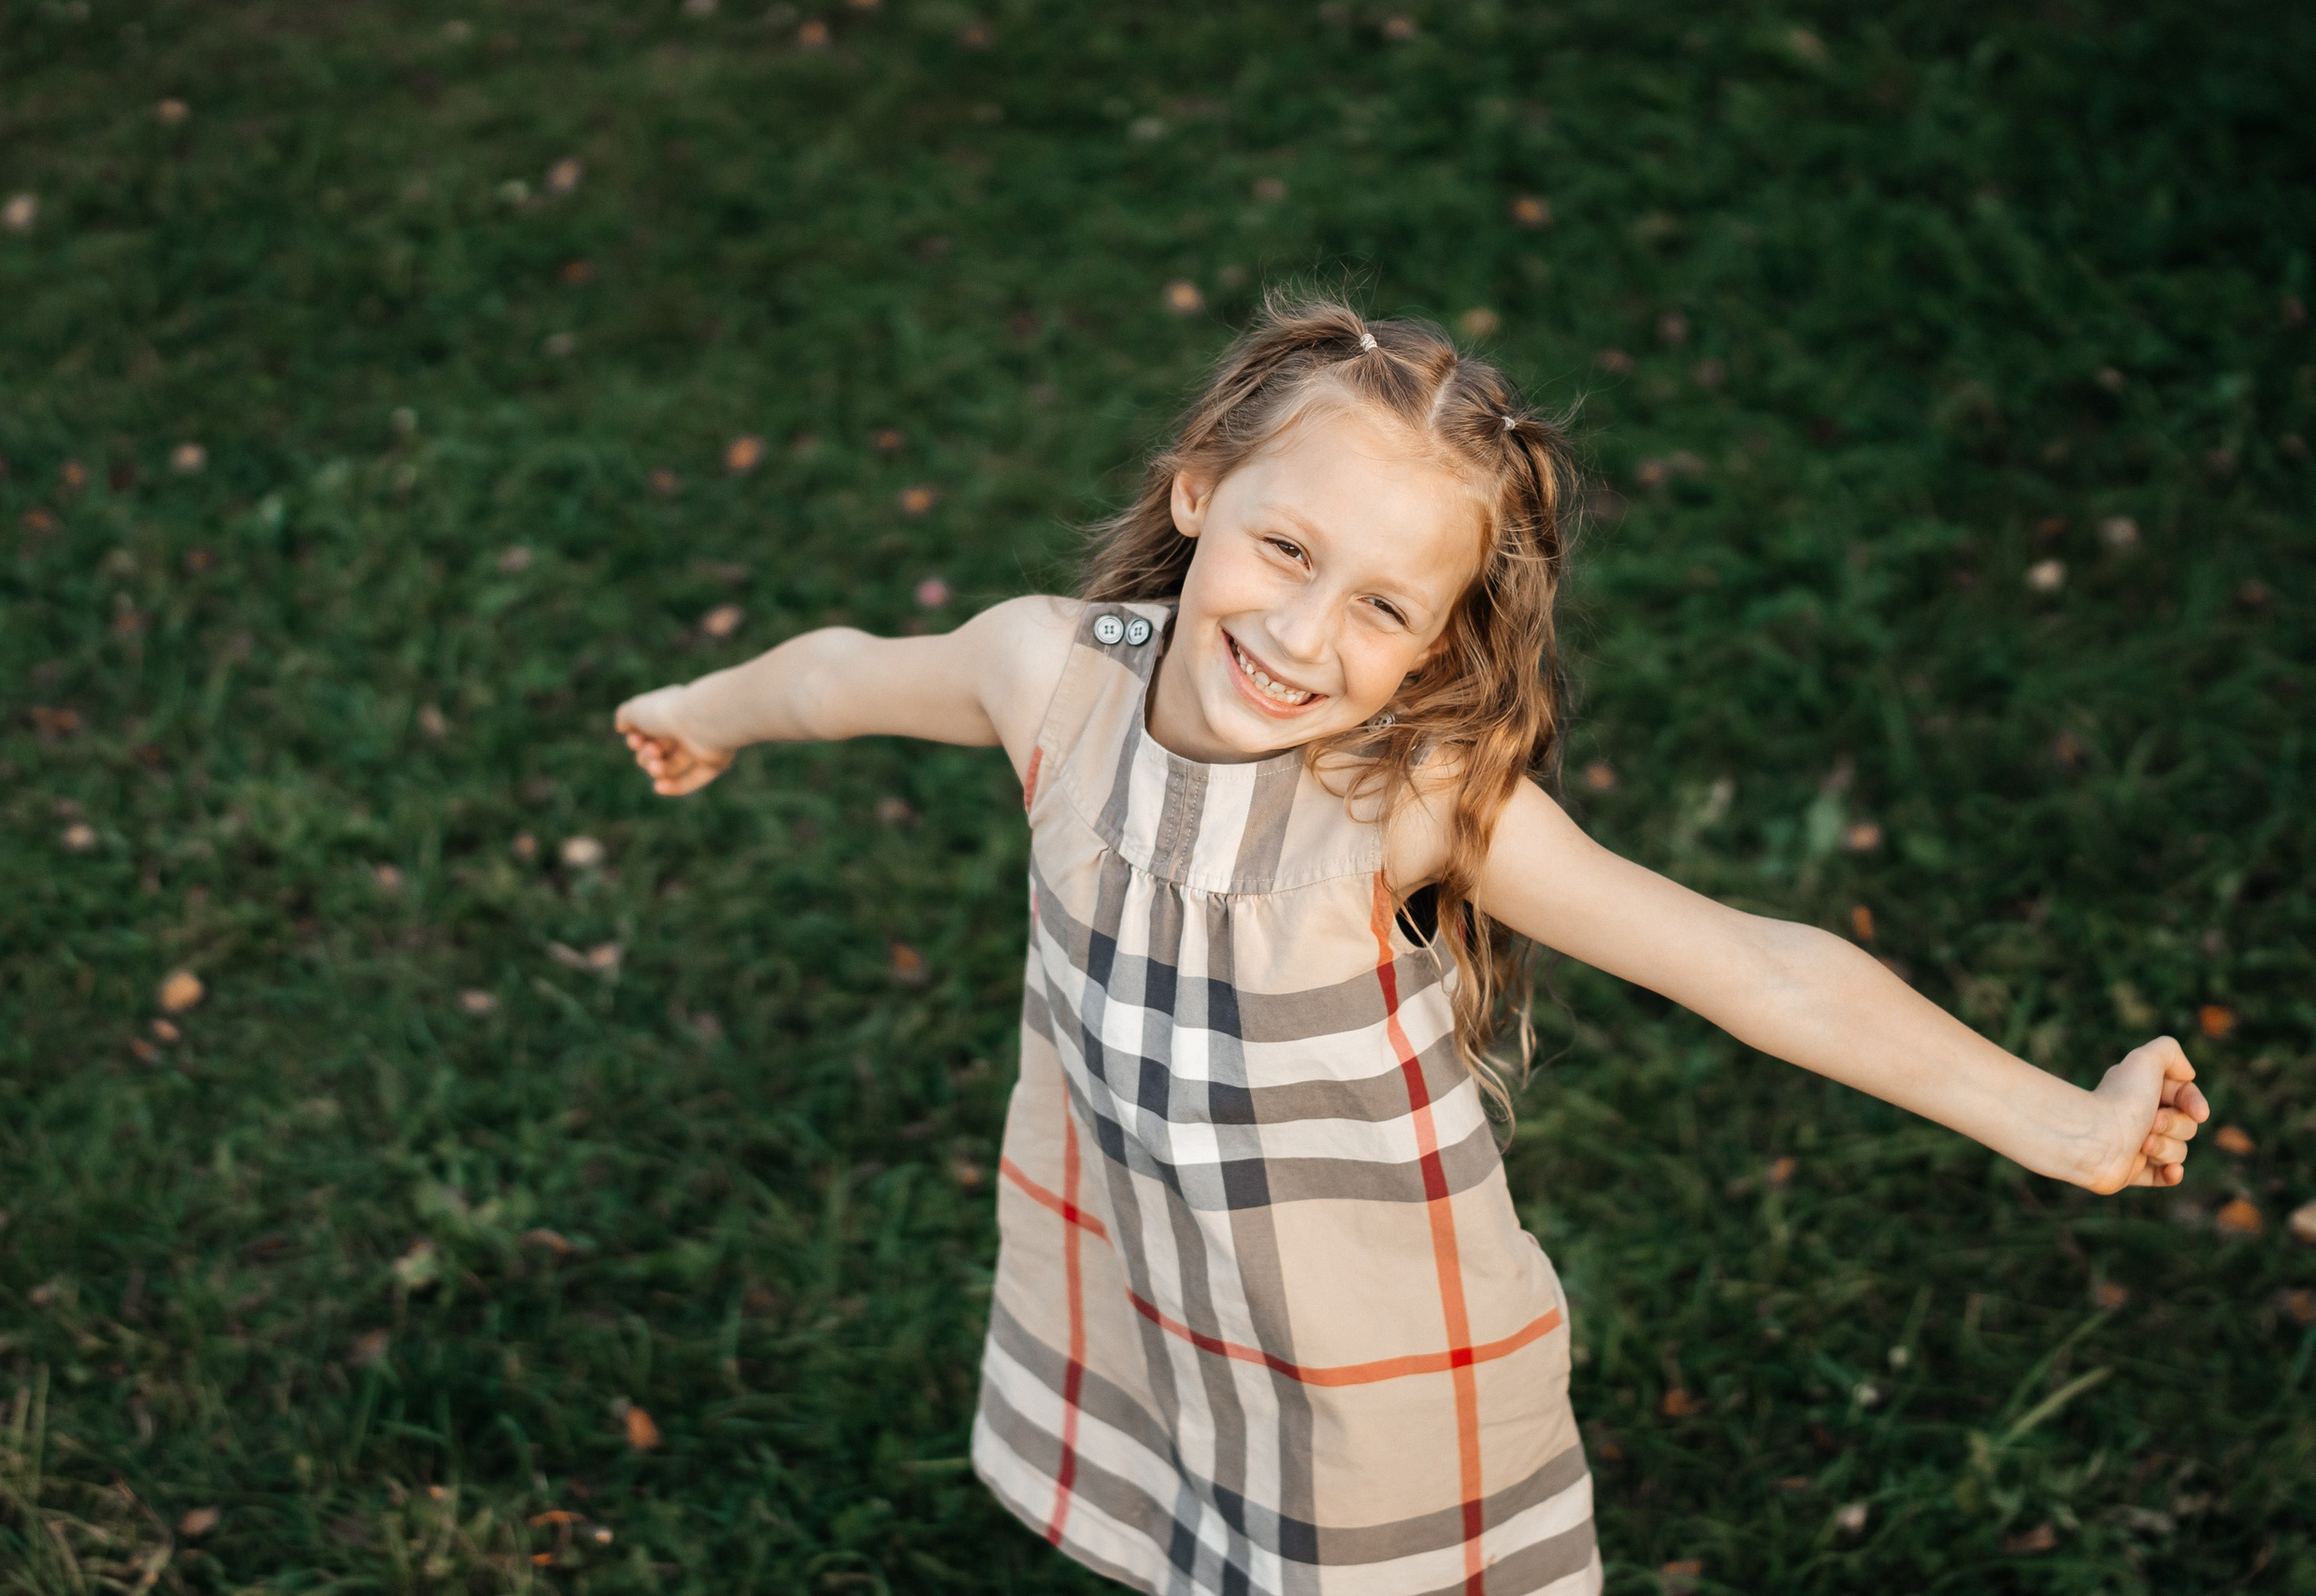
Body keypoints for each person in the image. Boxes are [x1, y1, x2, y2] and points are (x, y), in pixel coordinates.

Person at [611, 294, 2208, 1596]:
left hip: (1375, 1349)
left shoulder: (1411, 804)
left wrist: (2059, 1123)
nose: (1304, 635)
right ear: (1195, 494)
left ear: (1441, 642)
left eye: (1384, 609)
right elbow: (837, 676)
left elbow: (1747, 960)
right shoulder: (1050, 675)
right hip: (1151, 1262)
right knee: (1207, 1542)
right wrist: (701, 714)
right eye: (1287, 552)